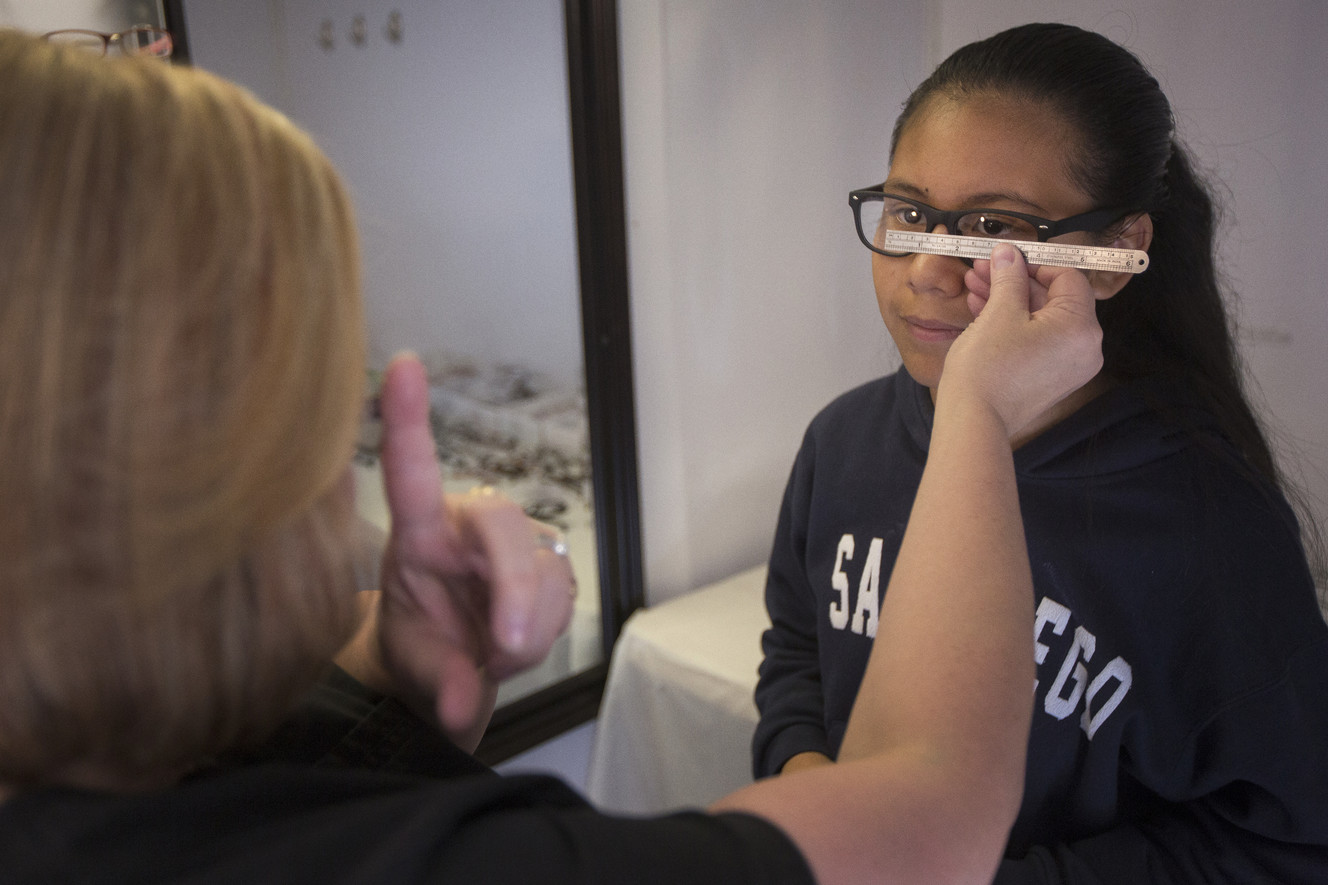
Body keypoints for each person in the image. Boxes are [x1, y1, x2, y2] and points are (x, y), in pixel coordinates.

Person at [0, 28, 1107, 884]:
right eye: (312, 397)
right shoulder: (848, 444)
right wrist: (977, 415)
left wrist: (392, 683)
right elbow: (924, 813)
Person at [752, 21, 1328, 884]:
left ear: (1116, 253)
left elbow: (1283, 839)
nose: (928, 270)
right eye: (911, 212)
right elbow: (797, 653)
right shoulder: (843, 443)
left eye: (994, 226)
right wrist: (822, 804)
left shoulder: (1209, 527)